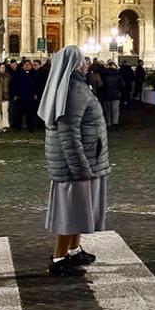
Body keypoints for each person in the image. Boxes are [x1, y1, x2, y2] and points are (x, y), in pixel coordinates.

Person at [40, 45, 110, 277]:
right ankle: (59, 258)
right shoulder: (74, 90)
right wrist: (80, 167)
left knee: (79, 209)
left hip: (83, 158)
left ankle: (74, 249)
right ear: (73, 65)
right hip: (79, 163)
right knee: (70, 212)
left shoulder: (71, 85)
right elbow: (69, 133)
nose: (87, 63)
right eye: (83, 60)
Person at [101, 61, 124, 129]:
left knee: (108, 111)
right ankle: (115, 123)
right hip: (116, 94)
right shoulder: (118, 75)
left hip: (106, 95)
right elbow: (123, 84)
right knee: (115, 110)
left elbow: (102, 85)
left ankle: (108, 124)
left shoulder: (104, 75)